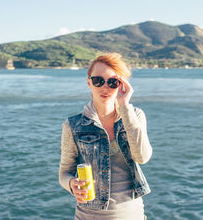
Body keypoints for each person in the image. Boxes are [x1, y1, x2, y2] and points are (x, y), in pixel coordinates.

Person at [59, 52, 152, 219]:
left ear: (121, 84)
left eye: (113, 82)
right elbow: (64, 172)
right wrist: (71, 184)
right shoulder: (73, 125)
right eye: (98, 81)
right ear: (89, 82)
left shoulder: (135, 116)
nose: (105, 87)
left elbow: (142, 157)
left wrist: (124, 105)